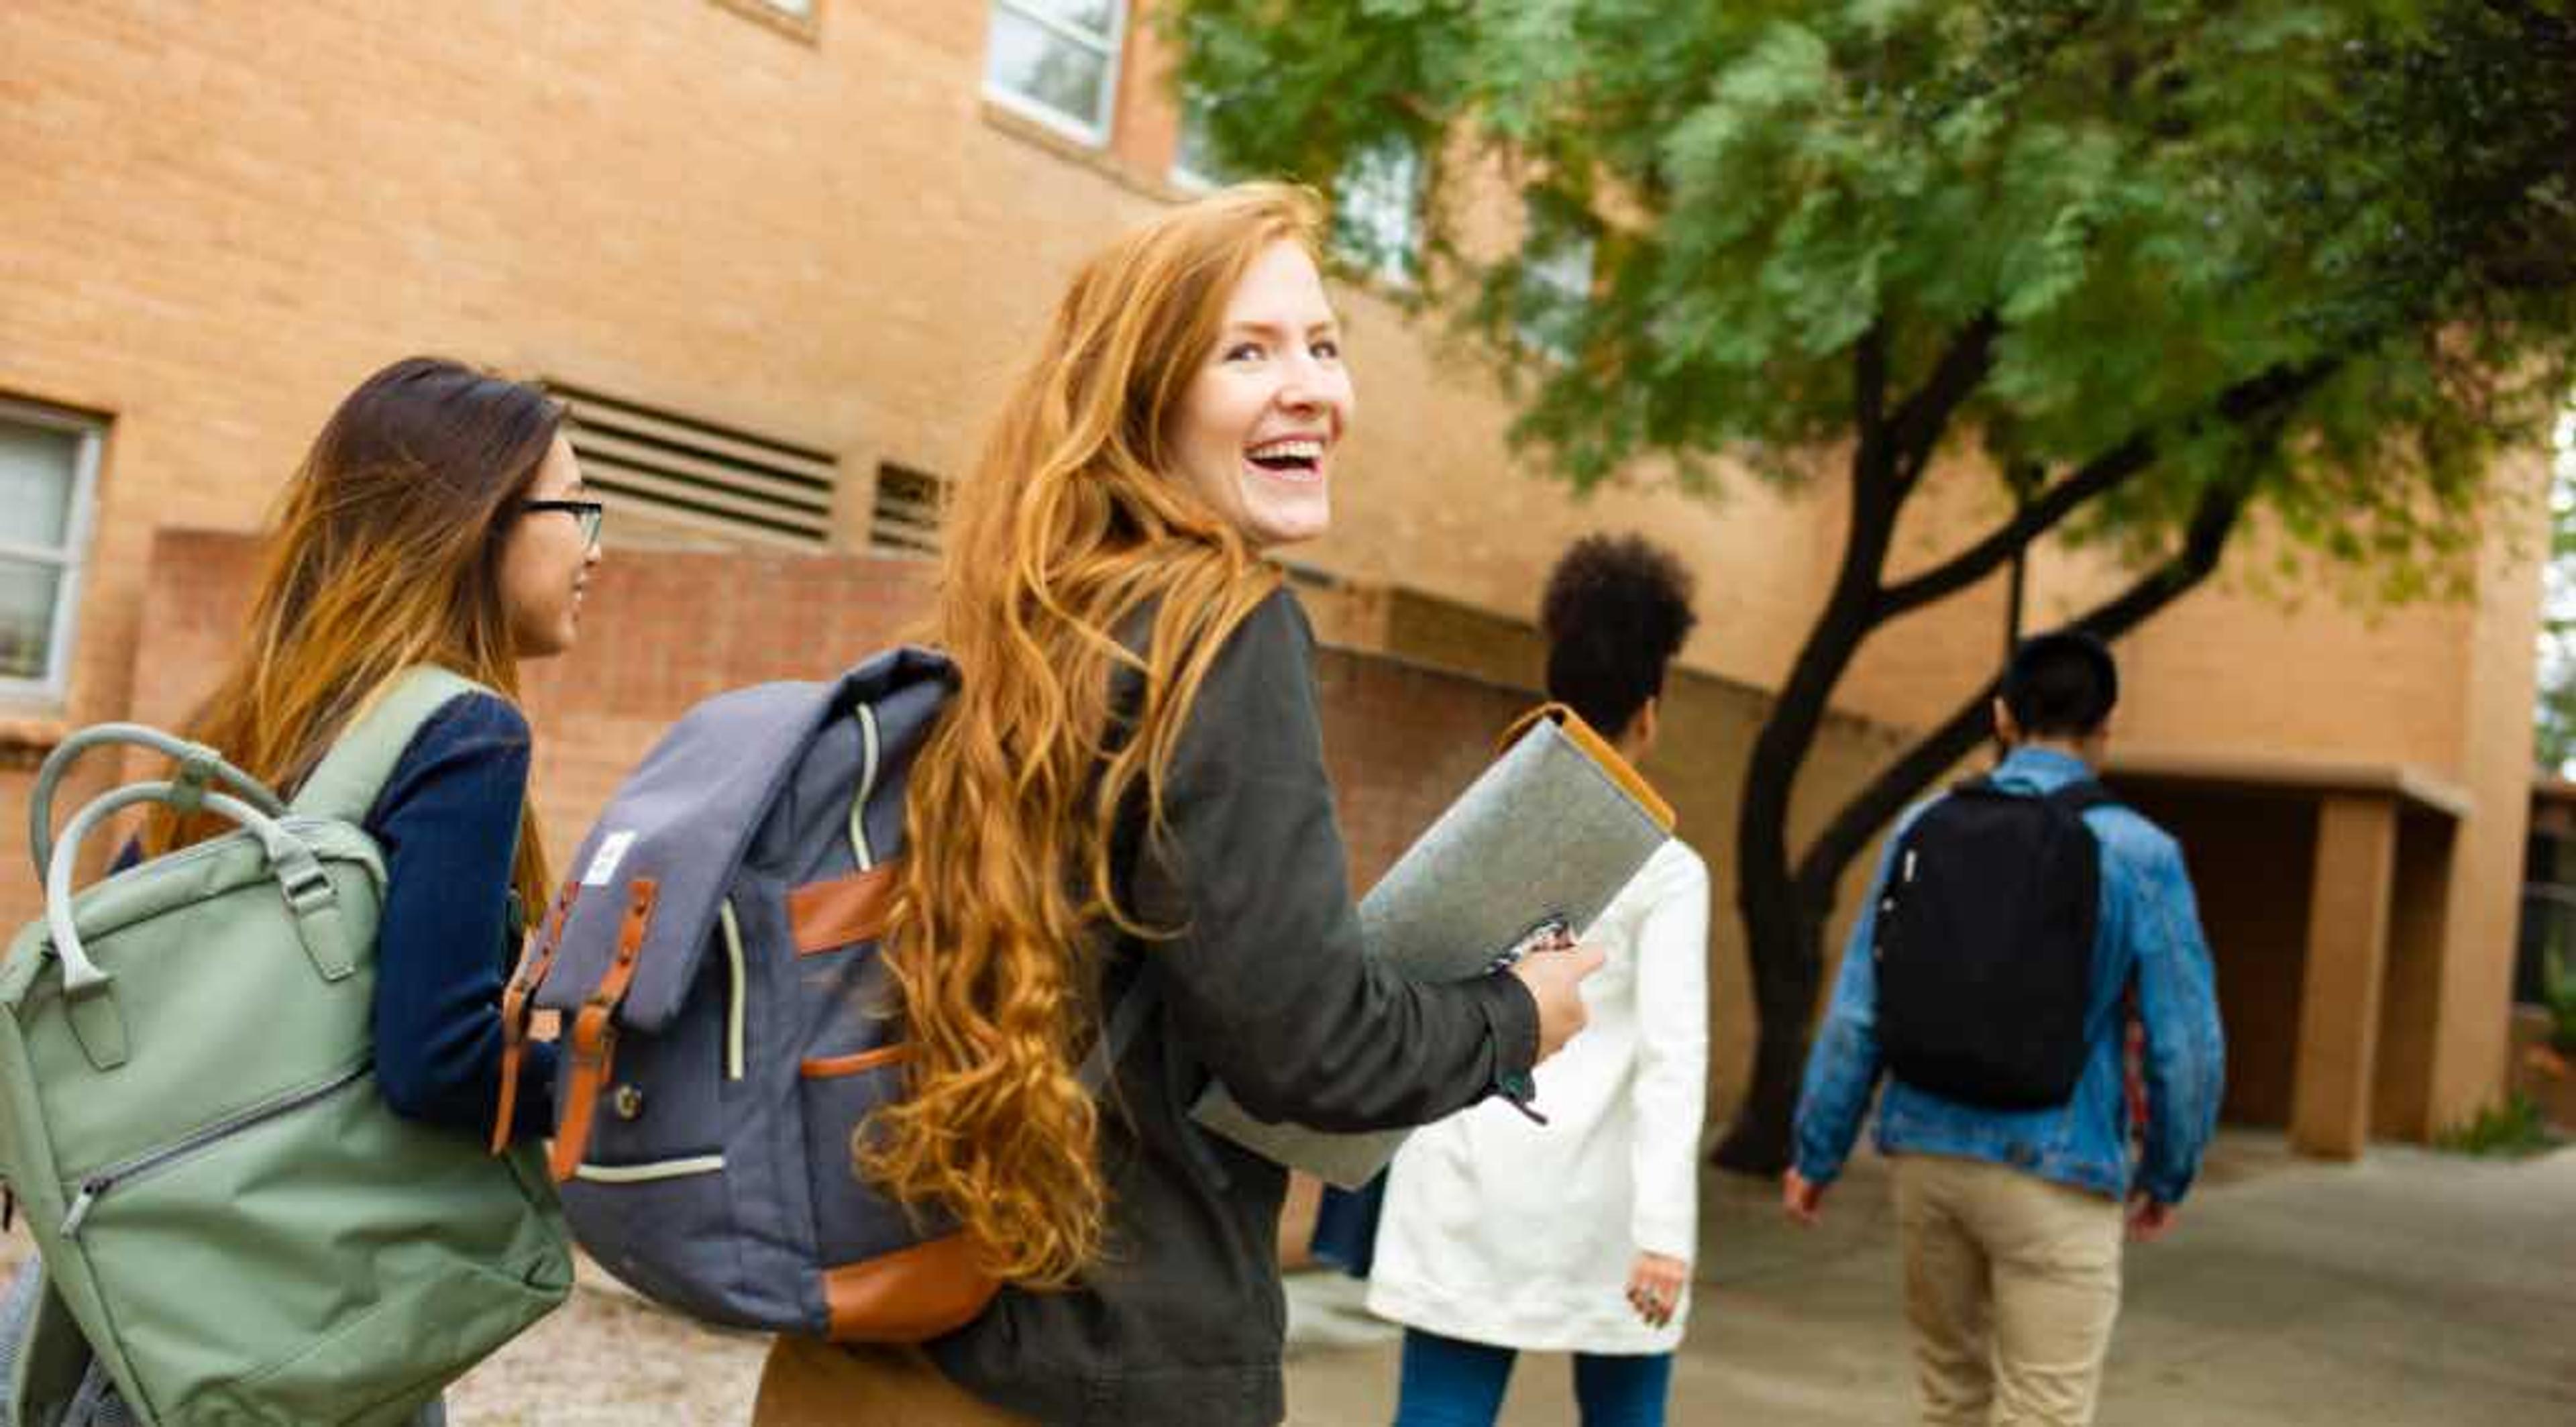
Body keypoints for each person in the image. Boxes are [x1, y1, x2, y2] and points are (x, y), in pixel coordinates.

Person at [747, 183, 1603, 1426]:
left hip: (877, 1346)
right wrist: (1515, 1015)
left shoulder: (1020, 624)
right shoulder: (1222, 627)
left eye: (1321, 345)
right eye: (1246, 352)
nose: (1311, 386)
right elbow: (1313, 1046)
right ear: (1145, 406)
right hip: (1096, 1368)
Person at [1, 356, 600, 1426]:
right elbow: (436, 1058)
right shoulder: (465, 730)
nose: (595, 545)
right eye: (575, 506)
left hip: (121, 1306)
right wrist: (615, 1078)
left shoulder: (248, 715)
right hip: (291, 1326)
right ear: (478, 519)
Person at [1784, 631, 2226, 1427]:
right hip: (2057, 1171)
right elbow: (2185, 1049)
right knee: (2042, 1414)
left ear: (2001, 714)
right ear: (2105, 728)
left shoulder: (1923, 825)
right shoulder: (2140, 853)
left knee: (1950, 1401)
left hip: (1926, 1159)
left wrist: (1816, 1151)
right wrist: (2168, 1173)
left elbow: (1859, 1009)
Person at [1364, 533, 1712, 1427]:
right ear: (1652, 707)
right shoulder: (1669, 870)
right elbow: (1675, 1060)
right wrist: (1666, 1233)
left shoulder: (1479, 824)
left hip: (1462, 1187)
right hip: (1603, 1211)